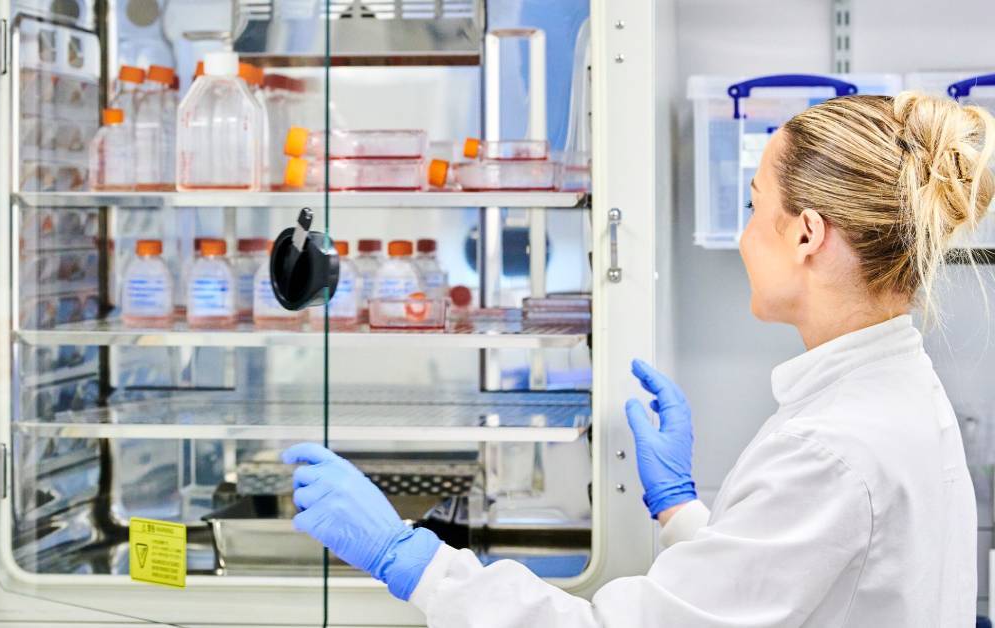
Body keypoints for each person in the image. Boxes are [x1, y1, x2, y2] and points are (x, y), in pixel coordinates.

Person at [282, 91, 994, 626]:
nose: (747, 236)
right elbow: (778, 591)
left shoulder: (832, 448)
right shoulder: (891, 398)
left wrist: (411, 560)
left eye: (753, 207)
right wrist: (681, 512)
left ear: (807, 234)